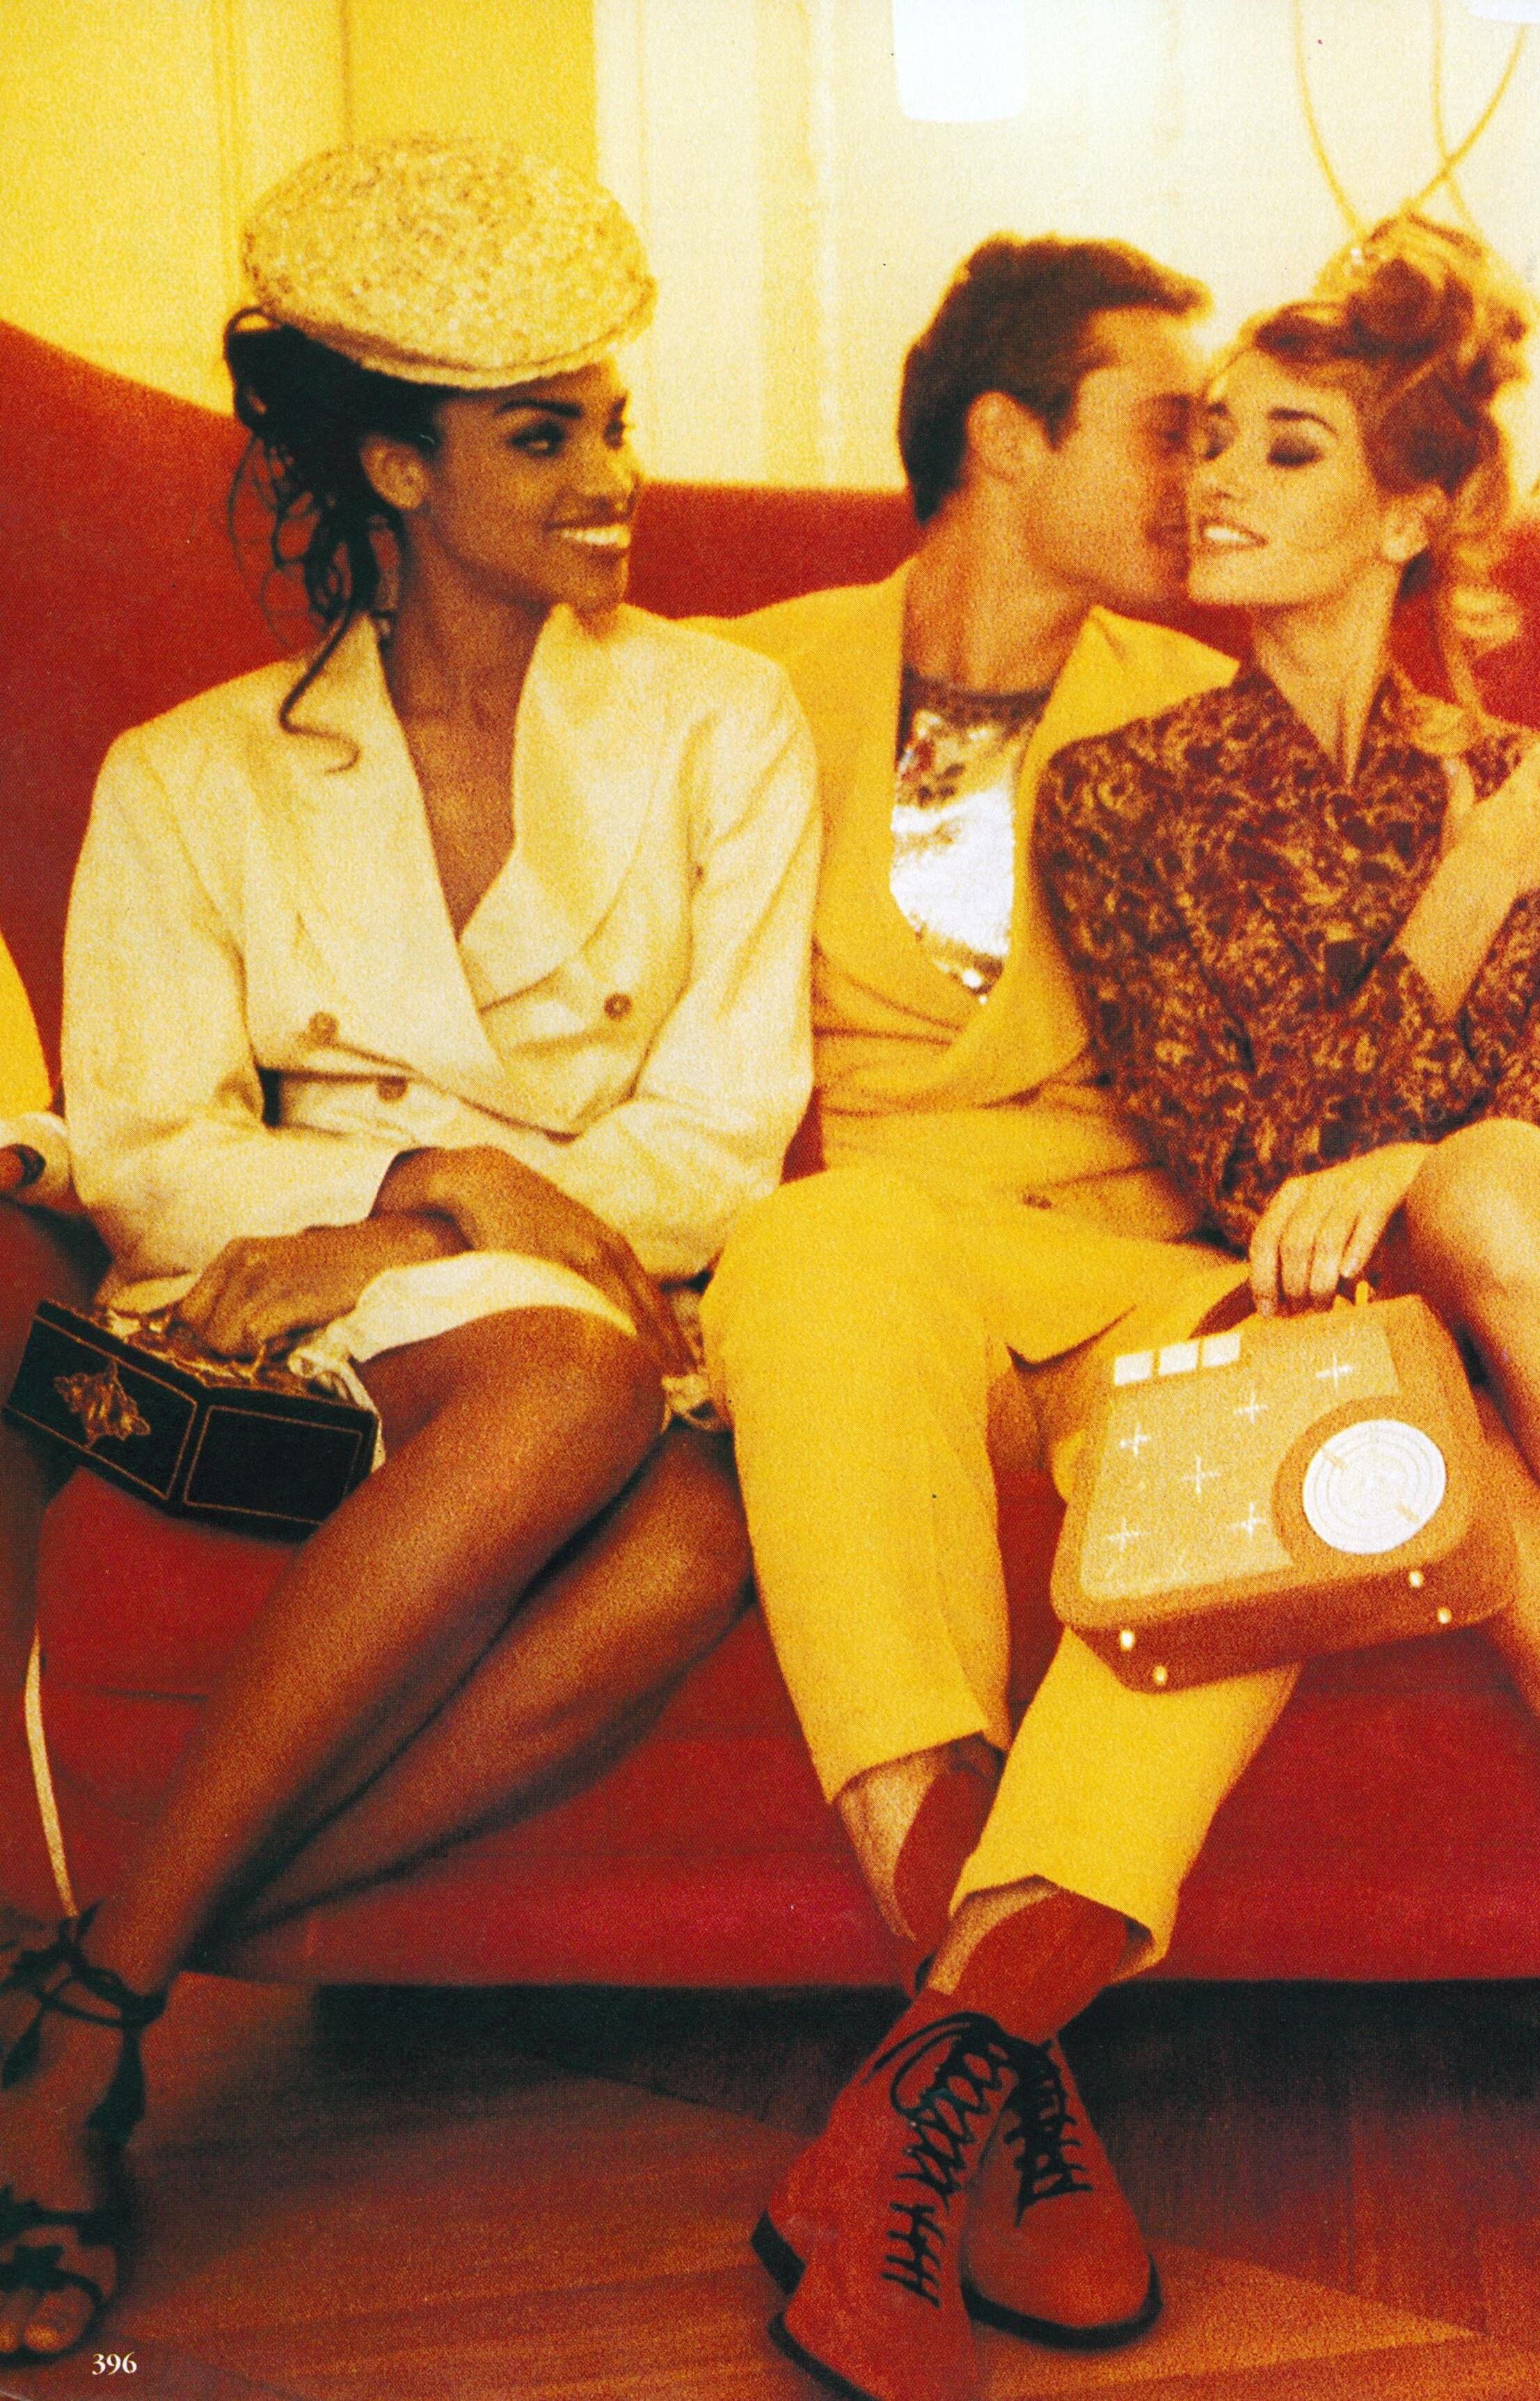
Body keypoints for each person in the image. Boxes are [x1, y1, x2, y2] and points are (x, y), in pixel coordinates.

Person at [697, 232, 1540, 2401]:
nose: (1201, 481)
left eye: (1244, 442)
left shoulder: (1200, 712)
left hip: (1167, 1261)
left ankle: (942, 2081)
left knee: (1285, 1407)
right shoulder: (740, 686)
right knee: (811, 1254)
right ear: (1007, 439)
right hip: (889, 1243)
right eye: (1172, 429)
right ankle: (1001, 2077)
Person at [0, 135, 818, 2363]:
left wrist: (464, 1195)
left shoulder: (723, 724)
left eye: (615, 421)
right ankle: (92, 2031)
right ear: (395, 462)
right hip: (296, 1314)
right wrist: (403, 1215)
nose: (612, 476)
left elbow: (727, 1130)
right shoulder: (194, 777)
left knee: (700, 1528)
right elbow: (147, 1146)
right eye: (544, 435)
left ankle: (101, 1982)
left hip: (611, 1279)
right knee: (560, 1376)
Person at [1035, 209, 1540, 2223]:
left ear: (1406, 518)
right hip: (1313, 1328)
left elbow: (1538, 1140)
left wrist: (1412, 1149)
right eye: (1209, 436)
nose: (1214, 478)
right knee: (1470, 1255)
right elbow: (1252, 1172)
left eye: (1284, 448)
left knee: (1502, 1191)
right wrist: (1462, 907)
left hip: (1535, 1317)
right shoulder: (1117, 797)